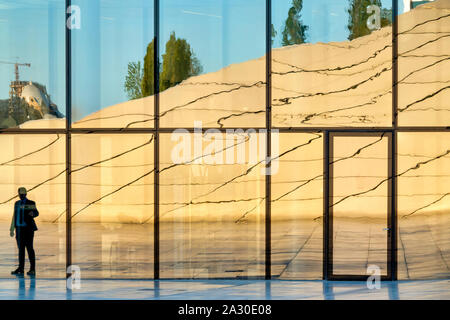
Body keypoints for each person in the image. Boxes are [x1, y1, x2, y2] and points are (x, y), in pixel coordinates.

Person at [10, 187, 39, 276]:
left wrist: (32, 214)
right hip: (19, 230)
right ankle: (21, 268)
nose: (22, 196)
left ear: (26, 194)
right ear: (18, 194)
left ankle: (32, 269)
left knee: (30, 249)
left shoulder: (31, 203)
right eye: (20, 194)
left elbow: (36, 212)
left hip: (28, 230)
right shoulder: (17, 204)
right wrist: (12, 229)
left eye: (23, 194)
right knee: (21, 250)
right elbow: (14, 216)